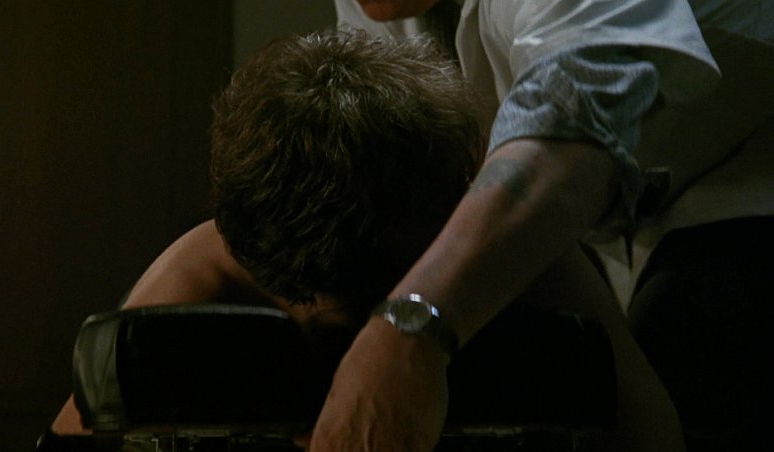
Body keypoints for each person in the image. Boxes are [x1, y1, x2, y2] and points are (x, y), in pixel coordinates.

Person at [50, 27, 686, 451]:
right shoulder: (208, 263)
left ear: (456, 207)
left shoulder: (523, 259)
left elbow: (652, 434)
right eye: (329, 326)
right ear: (250, 256)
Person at [325, 1, 773, 451]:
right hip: (617, 208)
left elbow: (574, 118)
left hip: (747, 166)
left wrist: (411, 328)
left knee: (704, 365)